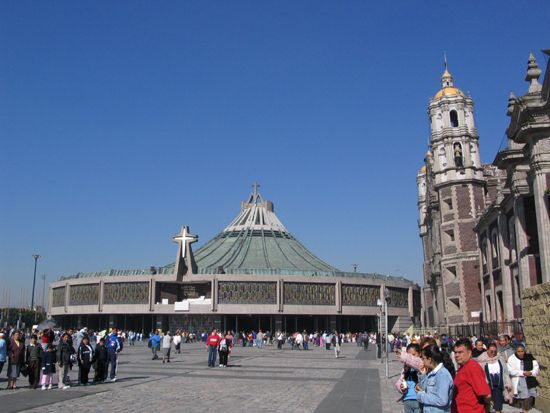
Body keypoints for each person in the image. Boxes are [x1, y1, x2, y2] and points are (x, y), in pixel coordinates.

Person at [452, 338, 491, 413]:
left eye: (460, 352)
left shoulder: (472, 367)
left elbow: (486, 395)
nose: (457, 355)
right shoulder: (463, 367)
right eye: (455, 352)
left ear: (469, 353)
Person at [415, 345, 454, 412]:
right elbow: (425, 388)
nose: (422, 361)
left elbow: (442, 400)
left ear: (429, 359)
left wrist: (421, 395)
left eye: (423, 358)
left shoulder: (442, 374)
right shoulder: (432, 372)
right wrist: (422, 374)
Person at [507, 344, 539, 412]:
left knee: (528, 398)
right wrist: (522, 373)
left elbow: (536, 368)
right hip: (519, 382)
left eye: (522, 351)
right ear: (516, 351)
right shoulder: (512, 358)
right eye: (519, 351)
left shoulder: (529, 357)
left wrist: (531, 372)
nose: (521, 353)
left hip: (529, 381)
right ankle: (523, 410)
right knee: (522, 398)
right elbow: (510, 370)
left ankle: (525, 410)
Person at [482, 342, 510, 413]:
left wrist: (508, 382)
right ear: (487, 350)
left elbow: (505, 371)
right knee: (487, 405)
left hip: (498, 385)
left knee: (498, 405)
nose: (493, 353)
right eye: (491, 351)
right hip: (487, 386)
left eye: (495, 351)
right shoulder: (483, 360)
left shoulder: (500, 359)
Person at [397, 343, 422, 413]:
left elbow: (414, 362)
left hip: (418, 399)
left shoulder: (420, 365)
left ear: (419, 354)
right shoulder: (406, 368)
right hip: (407, 399)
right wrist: (401, 387)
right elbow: (400, 381)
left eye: (413, 355)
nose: (411, 357)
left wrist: (404, 356)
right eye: (409, 355)